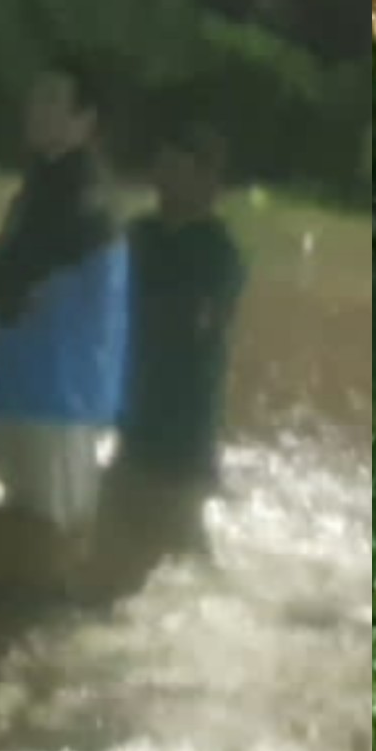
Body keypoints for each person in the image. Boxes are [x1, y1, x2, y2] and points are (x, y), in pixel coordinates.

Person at [0, 58, 130, 559]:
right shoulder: (44, 184)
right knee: (27, 543)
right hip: (28, 393)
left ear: (86, 121)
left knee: (51, 550)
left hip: (61, 402)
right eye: (36, 95)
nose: (36, 108)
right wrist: (1, 288)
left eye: (53, 99)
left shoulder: (79, 193)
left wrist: (1, 288)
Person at [119, 115, 247, 493]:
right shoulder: (139, 234)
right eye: (160, 165)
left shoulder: (219, 252)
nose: (162, 178)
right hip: (134, 417)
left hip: (186, 428)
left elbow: (197, 322)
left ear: (207, 181)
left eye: (176, 167)